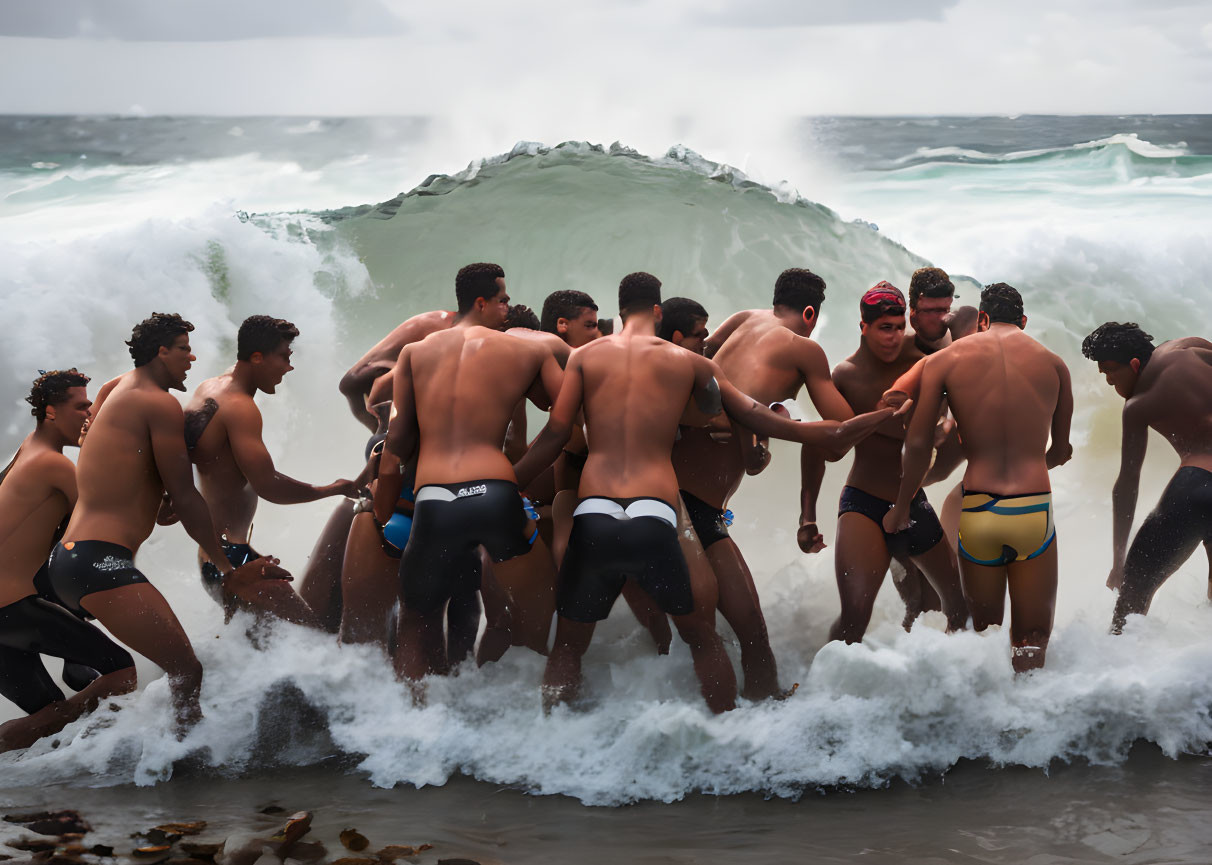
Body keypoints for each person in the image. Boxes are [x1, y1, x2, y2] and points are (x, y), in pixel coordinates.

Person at [515, 272, 899, 713]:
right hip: (667, 509)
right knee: (712, 635)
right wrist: (856, 423)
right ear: (658, 312)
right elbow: (781, 424)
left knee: (570, 646)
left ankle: (548, 736)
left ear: (619, 312)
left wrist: (510, 482)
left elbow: (557, 433)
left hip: (602, 509)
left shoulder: (591, 357)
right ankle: (737, 732)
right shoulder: (701, 362)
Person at [46, 313, 283, 731]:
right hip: (99, 563)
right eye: (183, 349)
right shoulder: (159, 403)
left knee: (158, 672)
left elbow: (99, 455)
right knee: (186, 672)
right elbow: (189, 496)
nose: (191, 360)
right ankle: (178, 762)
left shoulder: (114, 387)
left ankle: (84, 752)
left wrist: (153, 499)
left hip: (73, 557)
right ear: (161, 353)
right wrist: (228, 569)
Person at [376, 263, 565, 686]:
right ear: (481, 302)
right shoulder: (528, 351)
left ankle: (408, 724)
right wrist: (514, 478)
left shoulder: (414, 353)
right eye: (503, 300)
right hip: (495, 493)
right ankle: (537, 729)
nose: (508, 308)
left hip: (434, 499)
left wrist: (382, 511)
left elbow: (396, 443)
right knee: (536, 613)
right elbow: (564, 423)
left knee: (415, 622)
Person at [675, 268, 854, 700]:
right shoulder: (804, 349)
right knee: (752, 632)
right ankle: (759, 727)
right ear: (810, 313)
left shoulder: (740, 319)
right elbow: (840, 434)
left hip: (669, 488)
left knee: (696, 631)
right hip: (693, 507)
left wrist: (735, 422)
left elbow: (686, 365)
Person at [884, 284, 1073, 672]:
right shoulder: (1054, 364)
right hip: (1032, 509)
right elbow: (1059, 452)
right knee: (1032, 639)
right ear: (1023, 322)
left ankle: (976, 724)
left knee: (981, 634)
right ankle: (1028, 723)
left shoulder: (946, 361)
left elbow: (918, 444)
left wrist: (903, 505)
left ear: (982, 320)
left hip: (979, 509)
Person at [185, 315, 361, 626]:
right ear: (257, 357)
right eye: (284, 357)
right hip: (232, 560)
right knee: (310, 640)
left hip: (214, 556)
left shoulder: (209, 389)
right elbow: (268, 485)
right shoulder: (239, 407)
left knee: (272, 652)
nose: (288, 367)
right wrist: (332, 489)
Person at [0, 370, 137, 752]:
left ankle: (37, 802)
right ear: (51, 413)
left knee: (49, 722)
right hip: (8, 609)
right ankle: (16, 734)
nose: (89, 414)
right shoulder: (54, 466)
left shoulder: (25, 452)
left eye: (91, 406)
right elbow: (103, 525)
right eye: (81, 406)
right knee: (122, 671)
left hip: (9, 611)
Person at [828, 282, 967, 643]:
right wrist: (807, 513)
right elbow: (828, 446)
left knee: (947, 606)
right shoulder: (845, 375)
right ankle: (814, 693)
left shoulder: (924, 361)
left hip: (912, 502)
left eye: (898, 327)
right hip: (865, 501)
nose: (892, 337)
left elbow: (953, 392)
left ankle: (918, 682)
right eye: (883, 328)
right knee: (855, 615)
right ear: (863, 326)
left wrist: (945, 424)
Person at [1080, 324, 1212, 632]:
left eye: (1111, 372)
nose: (1109, 380)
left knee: (1132, 599)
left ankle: (1117, 668)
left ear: (1135, 364)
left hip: (1196, 485)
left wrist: (1118, 562)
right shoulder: (1187, 347)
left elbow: (1128, 482)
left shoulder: (1138, 406)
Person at [339, 309, 456, 431]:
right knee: (391, 438)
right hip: (369, 377)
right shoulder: (450, 328)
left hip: (355, 381)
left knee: (385, 437)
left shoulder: (442, 318)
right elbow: (382, 384)